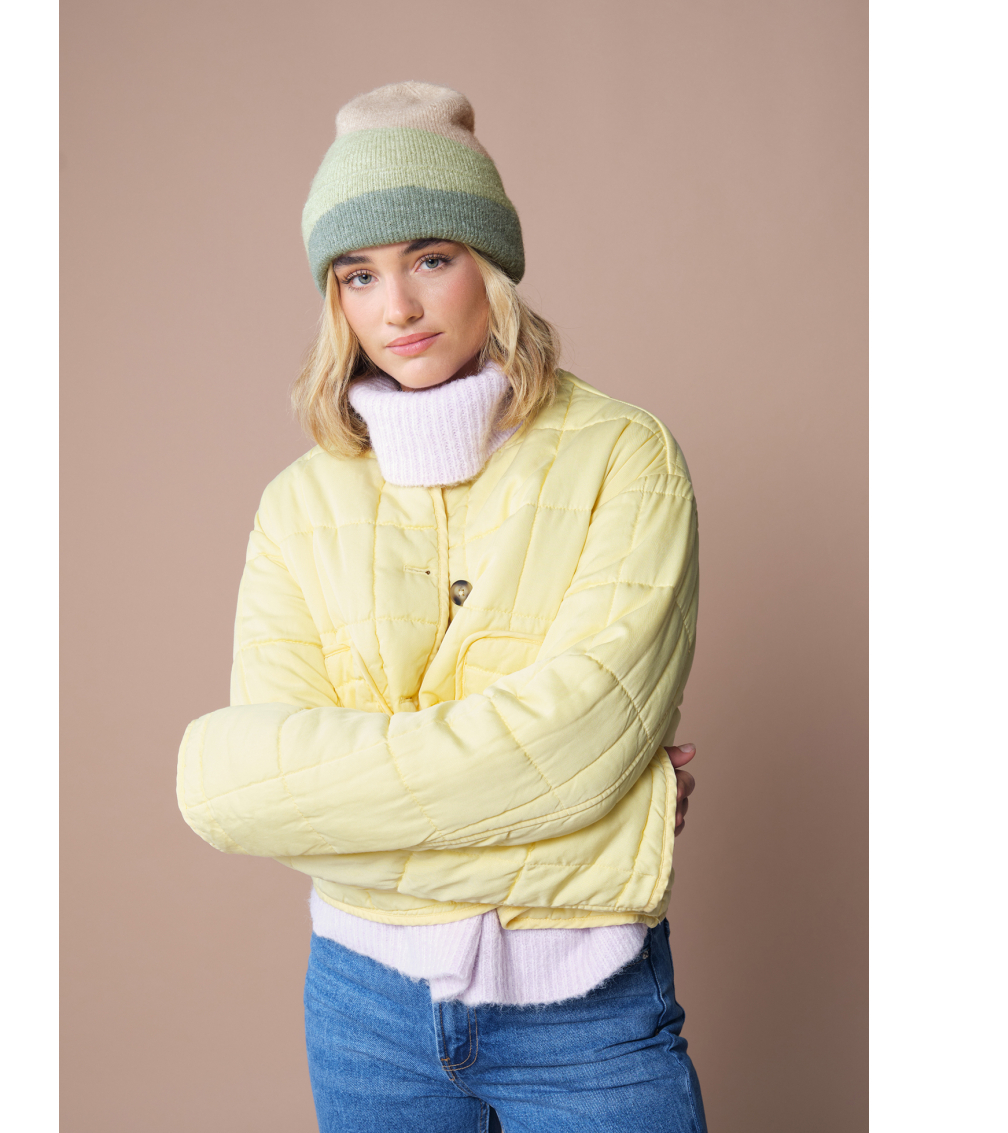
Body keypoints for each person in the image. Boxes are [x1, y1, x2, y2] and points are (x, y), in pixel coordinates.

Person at [177, 81, 707, 1132]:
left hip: (588, 1009)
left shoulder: (625, 457)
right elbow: (237, 791)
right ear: (334, 298)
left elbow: (577, 748)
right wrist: (616, 815)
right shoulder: (296, 504)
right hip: (364, 1008)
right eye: (358, 275)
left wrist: (591, 780)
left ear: (489, 264)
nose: (397, 308)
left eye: (430, 258)